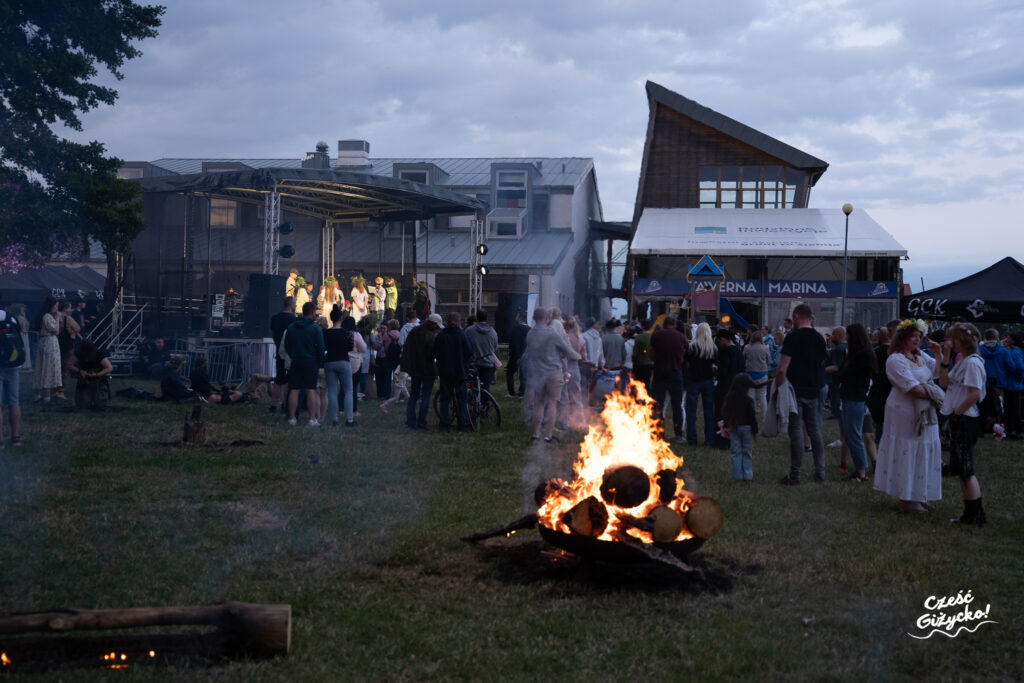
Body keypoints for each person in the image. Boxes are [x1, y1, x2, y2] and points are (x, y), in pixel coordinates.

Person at [873, 319, 942, 512]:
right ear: (903, 337)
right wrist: (936, 394)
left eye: (920, 337)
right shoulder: (896, 359)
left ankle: (919, 493)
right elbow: (911, 387)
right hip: (904, 412)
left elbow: (938, 375)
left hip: (925, 411)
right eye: (913, 336)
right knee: (908, 450)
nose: (917, 340)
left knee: (924, 448)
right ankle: (907, 497)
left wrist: (938, 353)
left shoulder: (921, 356)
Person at [933, 323, 987, 525]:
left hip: (965, 418)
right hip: (959, 417)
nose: (949, 342)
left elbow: (975, 393)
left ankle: (975, 514)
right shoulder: (963, 360)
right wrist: (944, 356)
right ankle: (971, 512)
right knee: (961, 467)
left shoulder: (972, 363)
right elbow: (944, 383)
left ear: (962, 340)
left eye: (951, 338)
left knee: (966, 467)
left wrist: (956, 413)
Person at [776, 304, 827, 484]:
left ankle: (795, 474)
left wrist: (779, 387)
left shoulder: (793, 337)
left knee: (796, 429)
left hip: (794, 389)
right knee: (814, 430)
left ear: (797, 316)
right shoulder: (820, 339)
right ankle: (820, 472)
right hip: (813, 389)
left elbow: (782, 368)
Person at [525, 307, 580, 442]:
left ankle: (536, 433)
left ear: (533, 318)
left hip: (538, 374)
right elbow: (568, 351)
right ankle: (548, 436)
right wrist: (579, 356)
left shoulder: (530, 334)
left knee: (539, 403)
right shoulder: (551, 334)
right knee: (552, 404)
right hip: (554, 373)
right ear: (547, 319)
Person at [835, 323, 876, 482]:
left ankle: (861, 471)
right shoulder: (858, 353)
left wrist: (842, 373)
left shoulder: (862, 355)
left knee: (853, 435)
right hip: (850, 397)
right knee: (852, 434)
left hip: (855, 398)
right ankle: (860, 469)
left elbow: (846, 374)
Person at [284, 301, 325, 426]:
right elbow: (321, 347)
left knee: (294, 389)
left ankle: (292, 418)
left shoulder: (291, 327)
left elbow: (287, 345)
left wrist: (293, 355)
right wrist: (319, 360)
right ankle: (312, 419)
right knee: (310, 390)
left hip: (296, 360)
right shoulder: (315, 328)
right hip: (311, 361)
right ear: (312, 312)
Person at [650, 316, 687, 443]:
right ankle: (679, 435)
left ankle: (657, 433)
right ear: (675, 325)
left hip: (660, 371)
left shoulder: (657, 335)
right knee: (677, 405)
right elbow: (683, 353)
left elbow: (652, 353)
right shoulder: (681, 337)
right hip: (676, 372)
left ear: (664, 324)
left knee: (658, 404)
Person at [434, 312, 473, 431]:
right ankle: (463, 424)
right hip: (460, 371)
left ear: (447, 321)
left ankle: (444, 424)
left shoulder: (441, 335)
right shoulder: (462, 335)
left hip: (445, 371)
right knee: (462, 399)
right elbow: (469, 351)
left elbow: (436, 352)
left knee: (445, 399)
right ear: (458, 321)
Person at [402, 313, 440, 430]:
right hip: (427, 369)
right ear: (433, 325)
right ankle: (421, 422)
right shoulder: (430, 336)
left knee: (414, 395)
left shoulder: (414, 331)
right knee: (426, 396)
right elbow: (431, 354)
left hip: (415, 368)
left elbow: (407, 347)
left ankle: (410, 421)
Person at [684, 323, 717, 447]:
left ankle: (692, 439)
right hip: (708, 380)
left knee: (691, 411)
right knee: (709, 412)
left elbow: (687, 362)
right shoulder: (713, 348)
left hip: (694, 380)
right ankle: (709, 440)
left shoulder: (692, 347)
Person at [721, 373, 759, 481]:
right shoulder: (748, 400)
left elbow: (726, 413)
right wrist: (755, 432)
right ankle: (748, 475)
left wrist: (725, 426)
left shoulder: (729, 398)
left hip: (734, 428)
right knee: (747, 452)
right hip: (747, 429)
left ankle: (737, 475)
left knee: (735, 452)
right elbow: (752, 417)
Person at [324, 307, 357, 426]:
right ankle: (349, 419)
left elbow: (324, 347)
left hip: (329, 361)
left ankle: (334, 419)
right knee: (348, 391)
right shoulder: (346, 332)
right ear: (341, 318)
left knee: (332, 391)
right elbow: (350, 347)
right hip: (343, 361)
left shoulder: (326, 333)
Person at [714, 328, 744, 448]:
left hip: (724, 386)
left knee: (721, 414)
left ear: (724, 339)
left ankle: (722, 440)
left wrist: (716, 371)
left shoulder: (725, 352)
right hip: (736, 387)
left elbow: (723, 371)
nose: (719, 342)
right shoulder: (738, 351)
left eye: (720, 340)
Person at [977, 328, 1012, 432]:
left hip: (982, 383)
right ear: (995, 337)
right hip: (998, 382)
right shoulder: (1003, 351)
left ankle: (982, 426)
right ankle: (998, 427)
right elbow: (1011, 366)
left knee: (982, 405)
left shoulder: (978, 349)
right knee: (999, 406)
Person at [0, 304, 25, 445]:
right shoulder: (11, 318)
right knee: (14, 402)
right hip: (13, 364)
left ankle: (0, 440)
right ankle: (15, 437)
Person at [269, 296, 296, 413]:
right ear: (291, 305)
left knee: (278, 380)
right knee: (289, 381)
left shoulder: (275, 318)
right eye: (295, 303)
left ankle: (273, 404)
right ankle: (285, 404)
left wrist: (277, 344)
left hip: (279, 351)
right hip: (290, 353)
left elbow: (273, 334)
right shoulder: (293, 319)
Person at [33, 296, 63, 402]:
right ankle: (46, 396)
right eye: (56, 306)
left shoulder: (42, 315)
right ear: (51, 306)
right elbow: (56, 331)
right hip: (49, 343)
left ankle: (37, 395)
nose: (56, 308)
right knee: (48, 368)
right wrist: (58, 318)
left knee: (41, 367)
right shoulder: (47, 316)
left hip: (43, 342)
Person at [68, 340, 113, 410]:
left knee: (100, 405)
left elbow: (109, 368)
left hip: (98, 381)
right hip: (85, 380)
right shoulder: (79, 354)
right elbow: (69, 365)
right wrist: (80, 371)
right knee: (83, 405)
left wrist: (97, 374)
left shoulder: (98, 354)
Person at [466, 309, 498, 395]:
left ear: (476, 318)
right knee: (486, 387)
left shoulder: (469, 330)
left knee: (472, 386)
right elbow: (495, 348)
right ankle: (485, 405)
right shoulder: (493, 332)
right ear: (487, 318)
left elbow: (465, 345)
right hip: (487, 363)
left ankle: (473, 403)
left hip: (473, 363)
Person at [742, 331, 771, 418]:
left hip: (750, 374)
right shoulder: (765, 348)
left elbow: (743, 358)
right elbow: (769, 361)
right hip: (762, 374)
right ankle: (765, 418)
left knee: (750, 396)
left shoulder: (747, 347)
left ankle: (750, 416)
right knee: (762, 396)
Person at [1003, 331, 1024, 440]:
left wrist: (1018, 378)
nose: (1006, 340)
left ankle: (1017, 432)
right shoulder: (1012, 351)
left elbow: (1020, 367)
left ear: (1014, 340)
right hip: (1009, 385)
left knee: (1014, 410)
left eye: (1009, 338)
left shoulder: (1016, 352)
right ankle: (1010, 431)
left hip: (1014, 385)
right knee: (1009, 409)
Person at [824, 327, 847, 420]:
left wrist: (821, 371)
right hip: (843, 379)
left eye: (833, 334)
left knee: (836, 395)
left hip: (836, 379)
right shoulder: (846, 347)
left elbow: (835, 366)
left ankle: (836, 413)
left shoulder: (838, 349)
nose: (831, 337)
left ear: (840, 335)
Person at [506, 312, 529, 398]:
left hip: (515, 354)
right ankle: (522, 393)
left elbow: (512, 342)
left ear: (520, 318)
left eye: (517, 316)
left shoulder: (515, 328)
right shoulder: (529, 329)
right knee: (523, 374)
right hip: (526, 355)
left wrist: (510, 351)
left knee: (510, 373)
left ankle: (511, 392)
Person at [580, 317, 604, 396]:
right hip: (594, 366)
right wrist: (601, 365)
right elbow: (600, 353)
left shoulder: (583, 336)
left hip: (584, 365)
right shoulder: (599, 338)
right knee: (590, 388)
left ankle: (583, 406)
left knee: (583, 387)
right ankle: (587, 404)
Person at [631, 321, 653, 388]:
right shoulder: (652, 336)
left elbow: (635, 354)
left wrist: (634, 361)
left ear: (642, 327)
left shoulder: (639, 337)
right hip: (649, 364)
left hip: (639, 364)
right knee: (647, 383)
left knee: (636, 384)